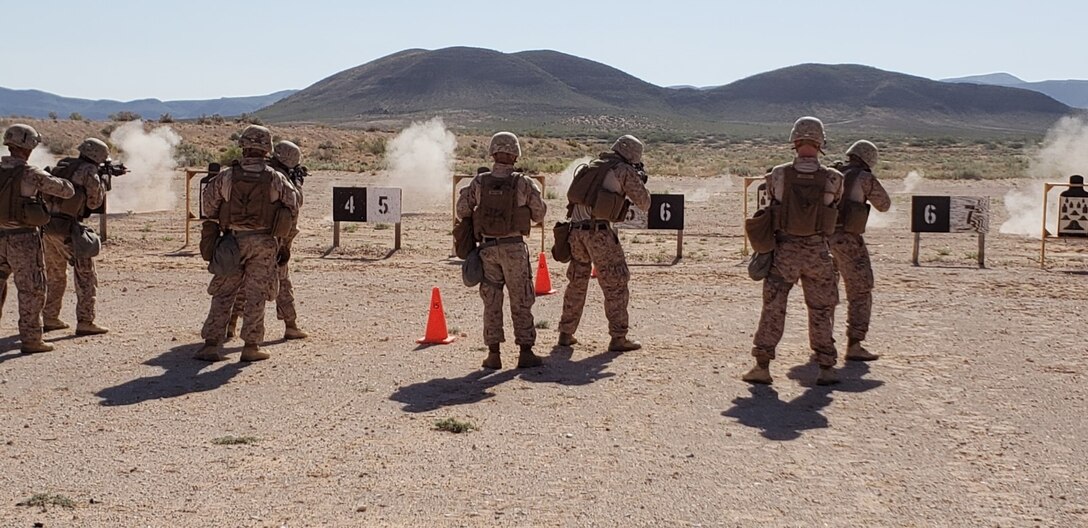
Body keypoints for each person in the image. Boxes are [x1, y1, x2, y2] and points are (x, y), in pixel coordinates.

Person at [743, 117, 844, 386]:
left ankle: (762, 366)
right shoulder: (835, 178)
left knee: (773, 308)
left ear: (795, 141)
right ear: (820, 141)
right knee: (821, 309)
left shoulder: (777, 174)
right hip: (817, 253)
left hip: (784, 251)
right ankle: (826, 366)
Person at [196, 125, 299, 362]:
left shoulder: (226, 175)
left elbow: (209, 207)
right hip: (264, 243)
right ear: (267, 149)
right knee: (256, 294)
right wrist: (284, 243)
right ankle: (251, 346)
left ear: (243, 145)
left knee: (223, 293)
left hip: (231, 242)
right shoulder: (276, 178)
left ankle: (211, 344)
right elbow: (292, 209)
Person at [455, 132, 546, 369]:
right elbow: (539, 214)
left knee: (492, 299)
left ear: (493, 153)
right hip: (514, 248)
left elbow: (462, 210)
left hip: (487, 248)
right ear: (515, 154)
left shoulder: (479, 182)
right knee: (521, 298)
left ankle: (493, 354)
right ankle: (525, 351)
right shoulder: (524, 182)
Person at [557, 135, 650, 352]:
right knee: (616, 281)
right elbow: (644, 203)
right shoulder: (622, 170)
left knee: (577, 282)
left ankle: (566, 332)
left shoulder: (591, 167)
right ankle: (619, 337)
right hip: (598, 233)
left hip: (576, 232)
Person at [0, 124, 76, 353]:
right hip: (22, 238)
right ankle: (32, 339)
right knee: (32, 289)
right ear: (28, 146)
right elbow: (67, 191)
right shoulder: (30, 173)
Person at [227, 140, 308, 341]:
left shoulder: (256, 173)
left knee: (243, 283)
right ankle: (290, 325)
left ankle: (231, 325)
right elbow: (292, 212)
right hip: (272, 240)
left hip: (242, 237)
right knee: (282, 280)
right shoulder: (280, 179)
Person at [41, 138, 110, 336]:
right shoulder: (89, 171)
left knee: (55, 274)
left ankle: (50, 317)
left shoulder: (64, 165)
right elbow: (95, 202)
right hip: (67, 228)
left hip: (47, 225)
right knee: (86, 275)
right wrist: (103, 182)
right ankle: (86, 321)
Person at [829, 140, 891, 361]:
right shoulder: (864, 178)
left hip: (824, 239)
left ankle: (823, 344)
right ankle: (854, 344)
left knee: (825, 293)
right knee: (860, 290)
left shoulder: (831, 173)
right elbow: (884, 204)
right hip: (848, 241)